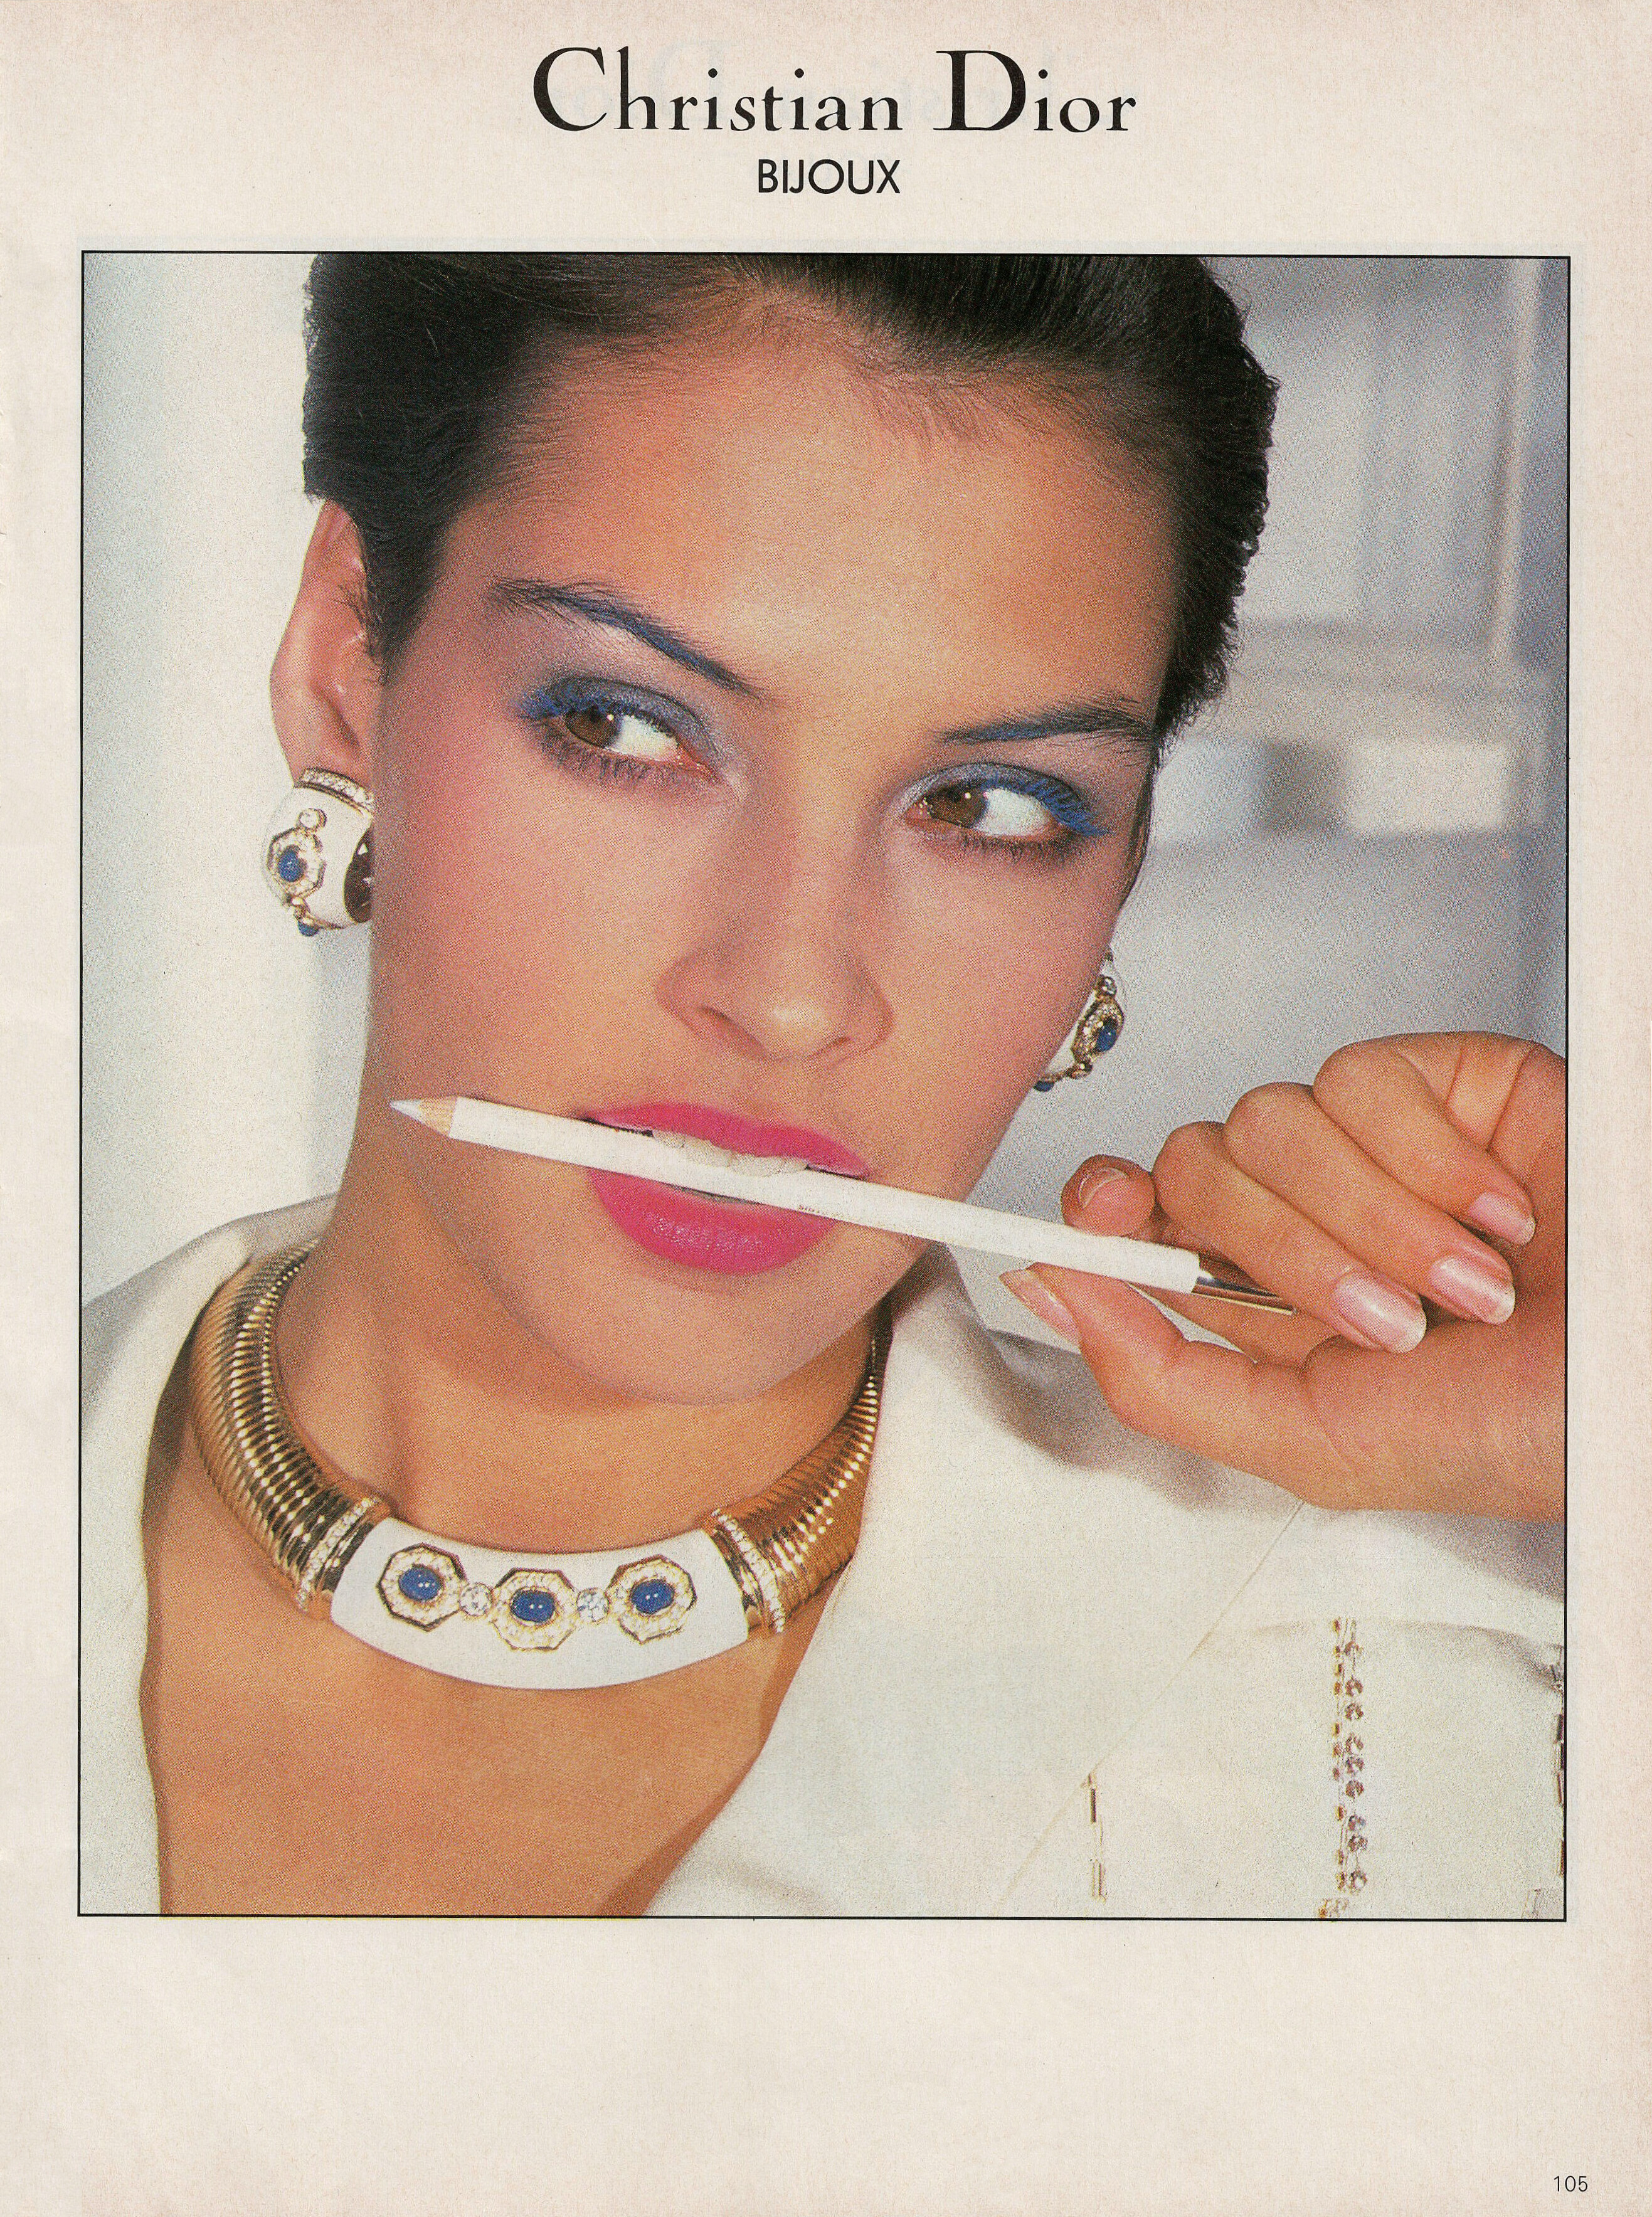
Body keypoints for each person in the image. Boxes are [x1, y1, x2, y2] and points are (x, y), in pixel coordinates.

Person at [82, 254, 1564, 1917]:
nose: (791, 997)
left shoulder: (1452, 1719)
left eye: (987, 808)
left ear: (1128, 859)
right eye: (626, 727)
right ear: (345, 658)